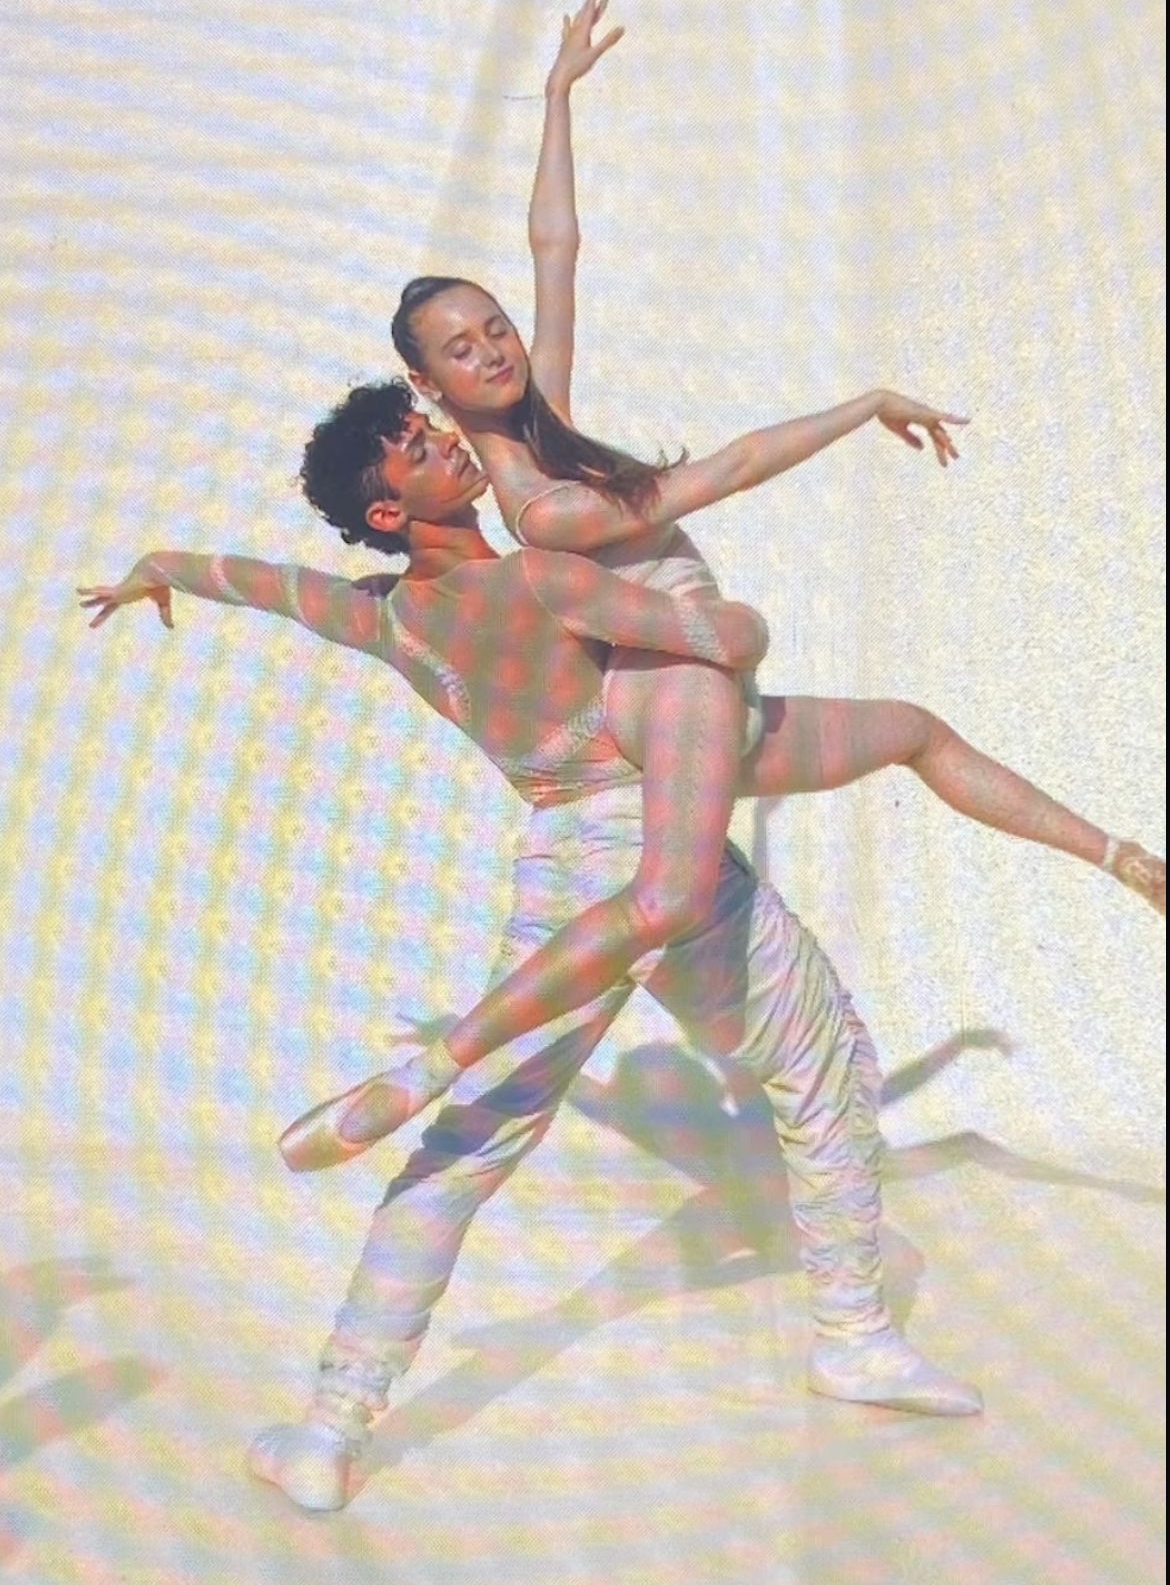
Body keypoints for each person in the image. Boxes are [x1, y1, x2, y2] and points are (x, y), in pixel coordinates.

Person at [279, 0, 1162, 1157]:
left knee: (912, 730)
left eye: (494, 327)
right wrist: (857, 410)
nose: (496, 346)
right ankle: (424, 1074)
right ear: (430, 387)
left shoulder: (542, 427)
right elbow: (731, 469)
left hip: (711, 695)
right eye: (462, 348)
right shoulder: (541, 504)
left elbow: (559, 249)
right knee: (668, 909)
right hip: (674, 697)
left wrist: (554, 97)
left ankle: (1125, 860)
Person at [80, 390, 989, 1516]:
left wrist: (155, 568)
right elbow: (726, 641)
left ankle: (329, 1425)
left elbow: (255, 583)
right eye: (417, 447)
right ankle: (851, 1333)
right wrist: (723, 616)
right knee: (822, 1067)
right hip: (658, 833)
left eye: (431, 427)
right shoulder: (538, 576)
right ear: (387, 504)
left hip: (559, 860)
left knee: (469, 1148)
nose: (445, 441)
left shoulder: (384, 622)